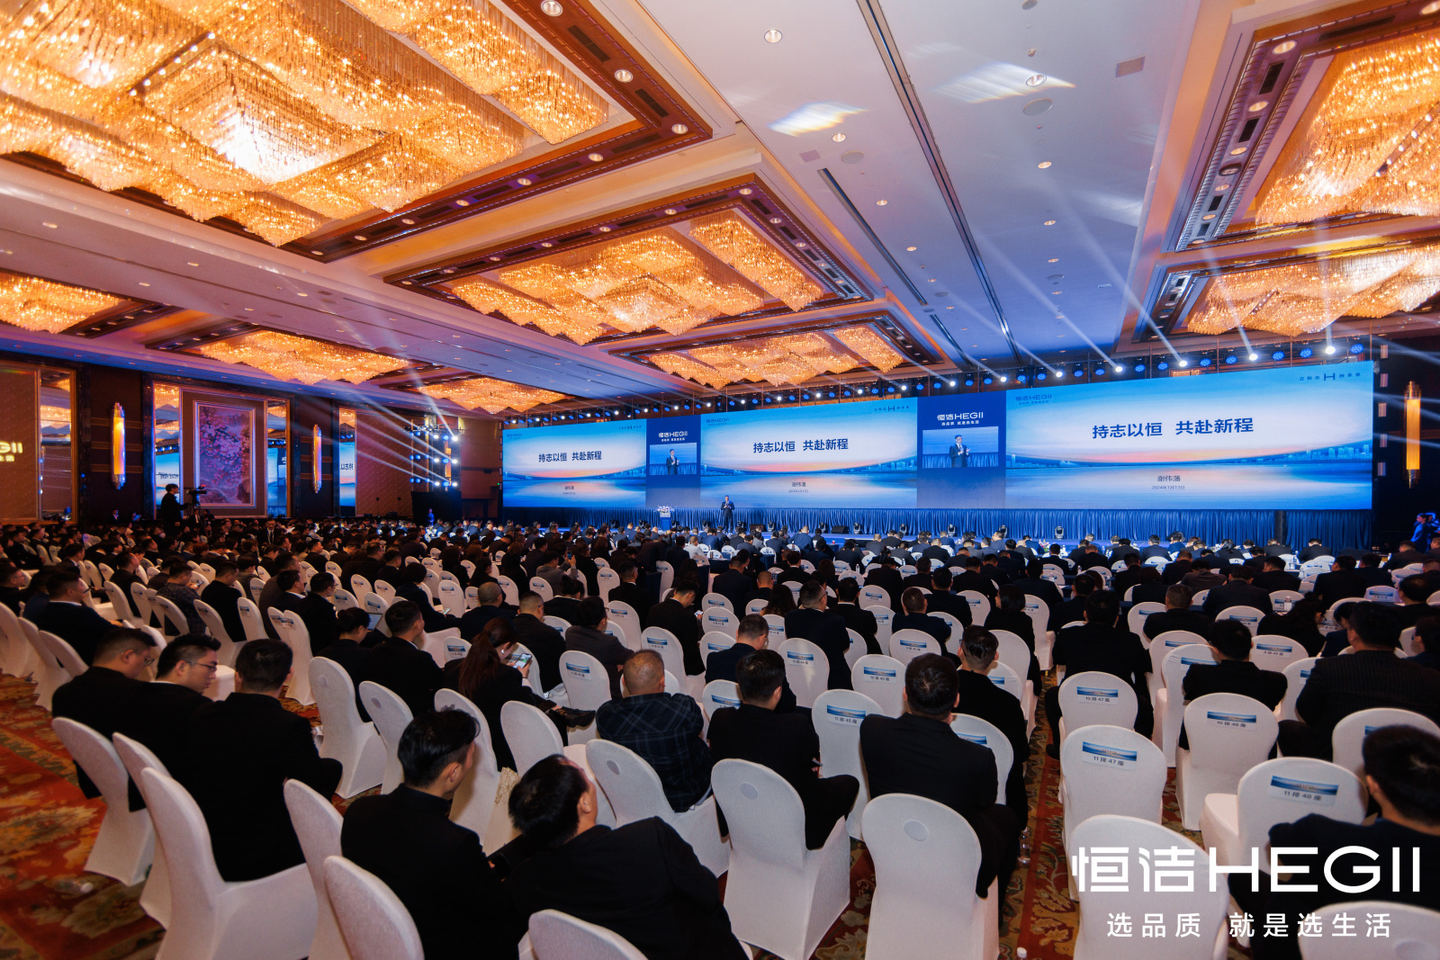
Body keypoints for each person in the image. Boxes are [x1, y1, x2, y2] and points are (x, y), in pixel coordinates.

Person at [505, 755, 748, 960]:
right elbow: (707, 892)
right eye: (582, 773)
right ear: (584, 803)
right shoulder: (648, 839)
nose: (589, 778)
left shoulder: (524, 882)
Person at [1231, 726, 1440, 960]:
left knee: (1243, 878)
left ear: (1373, 785)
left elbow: (1280, 839)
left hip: (1303, 948)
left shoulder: (1324, 836)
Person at [342, 708, 518, 960]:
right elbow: (497, 904)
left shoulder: (359, 810)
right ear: (453, 773)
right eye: (470, 757)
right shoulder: (454, 843)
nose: (471, 764)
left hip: (379, 936)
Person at [859, 654, 1019, 898]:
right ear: (956, 700)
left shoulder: (871, 730)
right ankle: (991, 907)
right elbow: (985, 802)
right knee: (1007, 817)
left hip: (892, 843)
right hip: (955, 859)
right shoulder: (978, 758)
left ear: (905, 693)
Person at [182, 639, 342, 881]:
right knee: (330, 770)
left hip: (199, 829)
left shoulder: (203, 713)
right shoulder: (288, 726)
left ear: (238, 675)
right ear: (288, 676)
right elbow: (312, 784)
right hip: (251, 851)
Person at [707, 649, 857, 848]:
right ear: (778, 692)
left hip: (740, 814)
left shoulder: (720, 720)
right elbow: (812, 760)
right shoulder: (796, 726)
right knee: (850, 783)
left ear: (740, 687)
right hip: (795, 825)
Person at [1278, 602, 1440, 759]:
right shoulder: (1431, 678)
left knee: (1286, 728)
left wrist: (1342, 727)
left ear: (1352, 634)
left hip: (1335, 750)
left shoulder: (1329, 668)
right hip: (1405, 756)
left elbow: (1306, 709)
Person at [441, 617, 568, 770]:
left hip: (463, 740)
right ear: (506, 646)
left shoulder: (451, 668)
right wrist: (522, 678)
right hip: (502, 749)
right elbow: (527, 708)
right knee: (556, 721)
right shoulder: (506, 676)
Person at [594, 651, 710, 812]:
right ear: (663, 682)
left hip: (637, 795)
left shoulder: (606, 716)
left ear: (624, 682)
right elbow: (697, 726)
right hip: (683, 796)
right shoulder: (683, 709)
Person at [52, 627, 157, 804]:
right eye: (145, 659)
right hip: (138, 782)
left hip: (93, 777)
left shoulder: (62, 693)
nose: (144, 666)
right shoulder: (136, 694)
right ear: (128, 656)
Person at [1045, 590, 1153, 754]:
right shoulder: (1130, 640)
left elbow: (1058, 659)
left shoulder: (1068, 635)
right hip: (1120, 702)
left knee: (1052, 696)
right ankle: (1136, 751)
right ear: (1116, 618)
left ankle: (1061, 747)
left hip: (1076, 698)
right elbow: (1143, 667)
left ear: (1085, 614)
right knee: (1144, 706)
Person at [122, 634, 220, 779]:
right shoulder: (197, 708)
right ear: (181, 667)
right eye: (211, 668)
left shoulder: (128, 695)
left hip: (139, 782)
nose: (213, 676)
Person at [1176, 620, 1286, 749]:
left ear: (1216, 650)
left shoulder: (1199, 674)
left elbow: (1189, 691)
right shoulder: (1276, 681)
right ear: (1251, 644)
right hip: (1254, 748)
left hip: (1202, 744)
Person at [954, 628, 1028, 812]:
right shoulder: (1009, 704)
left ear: (959, 651)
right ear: (995, 657)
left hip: (947, 777)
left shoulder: (941, 695)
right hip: (994, 787)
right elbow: (1021, 754)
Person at [368, 599, 446, 718]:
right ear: (418, 624)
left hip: (385, 713)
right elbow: (441, 684)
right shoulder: (419, 658)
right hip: (418, 717)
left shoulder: (376, 650)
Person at [705, 613, 796, 711]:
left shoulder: (713, 658)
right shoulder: (769, 665)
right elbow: (788, 704)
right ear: (762, 639)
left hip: (722, 715)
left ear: (737, 633)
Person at [33, 571, 117, 664]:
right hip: (95, 658)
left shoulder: (44, 612)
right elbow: (115, 633)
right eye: (81, 585)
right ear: (70, 592)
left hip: (65, 660)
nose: (84, 588)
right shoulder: (81, 613)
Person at [783, 580, 851, 690]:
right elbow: (845, 645)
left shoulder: (790, 617)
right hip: (830, 677)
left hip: (800, 671)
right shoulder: (835, 621)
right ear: (823, 600)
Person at [565, 596, 633, 699]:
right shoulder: (608, 642)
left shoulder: (570, 633)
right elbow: (632, 657)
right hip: (609, 694)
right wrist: (622, 662)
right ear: (603, 621)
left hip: (580, 690)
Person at [318, 607, 376, 721]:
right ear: (360, 629)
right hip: (359, 713)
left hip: (331, 710)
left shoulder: (321, 655)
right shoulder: (367, 655)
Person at [646, 580, 704, 677]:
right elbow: (690, 649)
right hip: (680, 665)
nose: (691, 603)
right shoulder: (687, 616)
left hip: (656, 659)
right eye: (692, 599)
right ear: (690, 595)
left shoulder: (653, 610)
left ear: (675, 592)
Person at [511, 591, 566, 693]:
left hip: (513, 685)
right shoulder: (550, 634)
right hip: (547, 689)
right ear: (540, 609)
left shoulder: (506, 631)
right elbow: (562, 665)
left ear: (519, 611)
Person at [200, 560, 246, 645]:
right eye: (235, 576)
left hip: (214, 632)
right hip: (234, 634)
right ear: (228, 575)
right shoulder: (232, 593)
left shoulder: (206, 591)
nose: (235, 579)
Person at [1142, 584, 1211, 640]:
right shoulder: (1204, 622)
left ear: (1167, 600)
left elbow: (1150, 636)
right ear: (1191, 603)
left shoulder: (1154, 620)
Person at [831, 578, 879, 654]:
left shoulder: (827, 614)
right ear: (858, 594)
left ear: (837, 591)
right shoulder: (867, 616)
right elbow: (873, 630)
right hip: (863, 654)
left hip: (835, 654)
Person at [297, 572, 339, 653]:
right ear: (329, 589)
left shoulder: (301, 602)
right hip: (321, 648)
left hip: (304, 645)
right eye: (334, 586)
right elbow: (331, 633)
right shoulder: (325, 608)